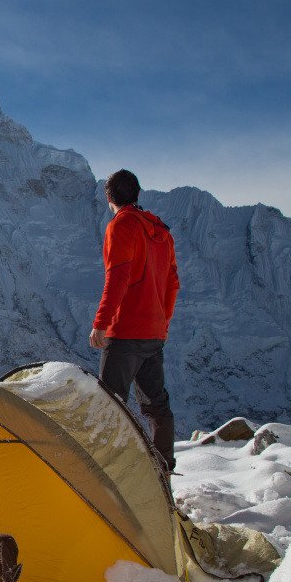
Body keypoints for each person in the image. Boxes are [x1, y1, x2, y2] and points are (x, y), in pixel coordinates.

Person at [88, 169, 180, 472]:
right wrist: (162, 324)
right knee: (156, 405)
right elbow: (172, 283)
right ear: (137, 193)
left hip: (125, 332)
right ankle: (163, 468)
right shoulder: (161, 232)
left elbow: (118, 277)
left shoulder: (122, 225)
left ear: (109, 197)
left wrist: (102, 322)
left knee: (110, 406)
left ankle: (109, 471)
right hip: (153, 334)